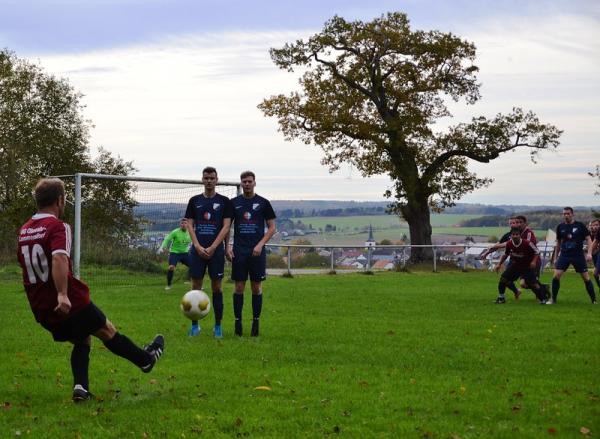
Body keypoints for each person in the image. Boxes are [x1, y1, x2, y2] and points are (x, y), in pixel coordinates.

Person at [17, 178, 164, 402]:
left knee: (82, 338)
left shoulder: (25, 230)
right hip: (66, 300)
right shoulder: (58, 226)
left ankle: (81, 388)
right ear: (60, 199)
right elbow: (58, 258)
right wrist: (63, 294)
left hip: (40, 306)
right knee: (107, 330)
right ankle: (146, 360)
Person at [184, 167, 233, 338]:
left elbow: (227, 227)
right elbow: (190, 225)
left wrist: (214, 247)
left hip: (216, 252)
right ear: (202, 179)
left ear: (217, 179)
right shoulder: (194, 200)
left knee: (216, 287)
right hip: (197, 250)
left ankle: (217, 326)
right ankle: (195, 325)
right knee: (195, 287)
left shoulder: (225, 201)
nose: (209, 180)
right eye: (206, 178)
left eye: (212, 178)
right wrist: (196, 246)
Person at [226, 171, 276, 337]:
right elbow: (227, 227)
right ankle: (238, 321)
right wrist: (228, 246)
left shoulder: (263, 203)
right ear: (241, 184)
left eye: (249, 181)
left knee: (256, 287)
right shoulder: (234, 203)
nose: (246, 184)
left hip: (257, 252)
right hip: (239, 251)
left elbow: (272, 228)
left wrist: (260, 244)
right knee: (239, 286)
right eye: (244, 182)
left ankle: (255, 322)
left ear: (255, 183)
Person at [548, 207, 596, 305]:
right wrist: (556, 257)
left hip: (578, 255)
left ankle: (594, 300)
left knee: (586, 278)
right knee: (556, 276)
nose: (566, 215)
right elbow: (558, 243)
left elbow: (589, 240)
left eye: (568, 213)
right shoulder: (560, 227)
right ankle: (553, 300)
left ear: (572, 214)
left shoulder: (580, 226)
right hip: (564, 255)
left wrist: (589, 253)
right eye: (564, 214)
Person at [493, 228, 548, 304]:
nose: (515, 236)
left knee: (533, 284)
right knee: (503, 279)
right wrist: (499, 264)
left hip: (527, 267)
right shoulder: (509, 244)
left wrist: (533, 261)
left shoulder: (527, 243)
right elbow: (506, 254)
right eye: (513, 235)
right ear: (511, 236)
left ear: (520, 235)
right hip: (515, 266)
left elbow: (537, 252)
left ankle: (543, 299)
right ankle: (501, 298)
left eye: (517, 234)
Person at [157, 218, 192, 290]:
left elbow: (195, 241)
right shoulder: (175, 232)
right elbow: (167, 239)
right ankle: (169, 285)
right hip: (175, 253)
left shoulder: (190, 232)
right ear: (180, 224)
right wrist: (162, 247)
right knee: (171, 267)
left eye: (185, 223)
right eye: (182, 223)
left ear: (188, 224)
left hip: (185, 253)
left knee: (195, 266)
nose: (183, 225)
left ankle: (192, 282)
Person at [588, 219, 600, 288]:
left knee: (596, 273)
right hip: (595, 254)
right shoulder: (590, 234)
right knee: (596, 274)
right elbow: (595, 243)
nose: (594, 227)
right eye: (592, 225)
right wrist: (590, 253)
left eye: (596, 225)